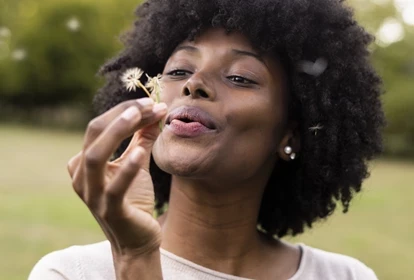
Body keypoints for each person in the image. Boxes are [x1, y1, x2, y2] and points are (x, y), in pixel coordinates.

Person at [29, 0, 386, 279]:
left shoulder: (346, 276)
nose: (193, 83)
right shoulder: (70, 274)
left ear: (290, 132)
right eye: (179, 70)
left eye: (240, 77)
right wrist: (134, 257)